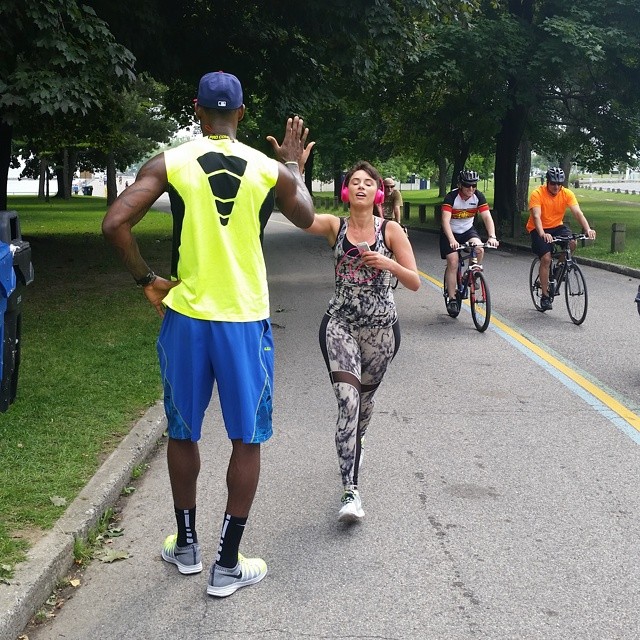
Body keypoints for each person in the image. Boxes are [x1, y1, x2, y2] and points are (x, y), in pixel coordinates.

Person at [102, 71, 315, 597]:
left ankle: (188, 546)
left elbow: (114, 224)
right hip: (244, 321)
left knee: (183, 431)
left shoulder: (171, 162)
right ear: (241, 114)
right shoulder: (268, 170)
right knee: (247, 438)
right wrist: (293, 165)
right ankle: (226, 563)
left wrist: (147, 281)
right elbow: (307, 216)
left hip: (187, 318)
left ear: (198, 110)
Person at [302, 161, 420, 523]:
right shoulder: (334, 226)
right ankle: (351, 491)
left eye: (369, 183)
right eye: (354, 182)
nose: (361, 187)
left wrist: (388, 264)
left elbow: (414, 281)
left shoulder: (392, 229)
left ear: (379, 192)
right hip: (340, 325)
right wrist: (293, 170)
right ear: (345, 191)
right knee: (348, 403)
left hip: (382, 330)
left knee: (364, 406)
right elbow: (300, 216)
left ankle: (358, 442)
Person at [526, 167, 596, 311]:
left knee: (572, 242)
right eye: (553, 183)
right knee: (546, 258)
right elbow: (536, 216)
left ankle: (559, 267)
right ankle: (545, 296)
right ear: (547, 182)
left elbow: (577, 213)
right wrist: (542, 234)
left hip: (557, 226)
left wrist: (587, 229)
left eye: (559, 183)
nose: (556, 187)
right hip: (538, 228)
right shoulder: (537, 194)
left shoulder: (566, 193)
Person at [440, 169, 499, 314]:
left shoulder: (478, 196)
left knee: (479, 249)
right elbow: (445, 221)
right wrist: (452, 240)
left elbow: (487, 217)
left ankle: (471, 273)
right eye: (467, 186)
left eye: (474, 185)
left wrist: (492, 236)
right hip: (450, 232)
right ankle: (453, 298)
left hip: (467, 230)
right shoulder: (451, 197)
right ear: (460, 185)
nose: (471, 189)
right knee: (453, 261)